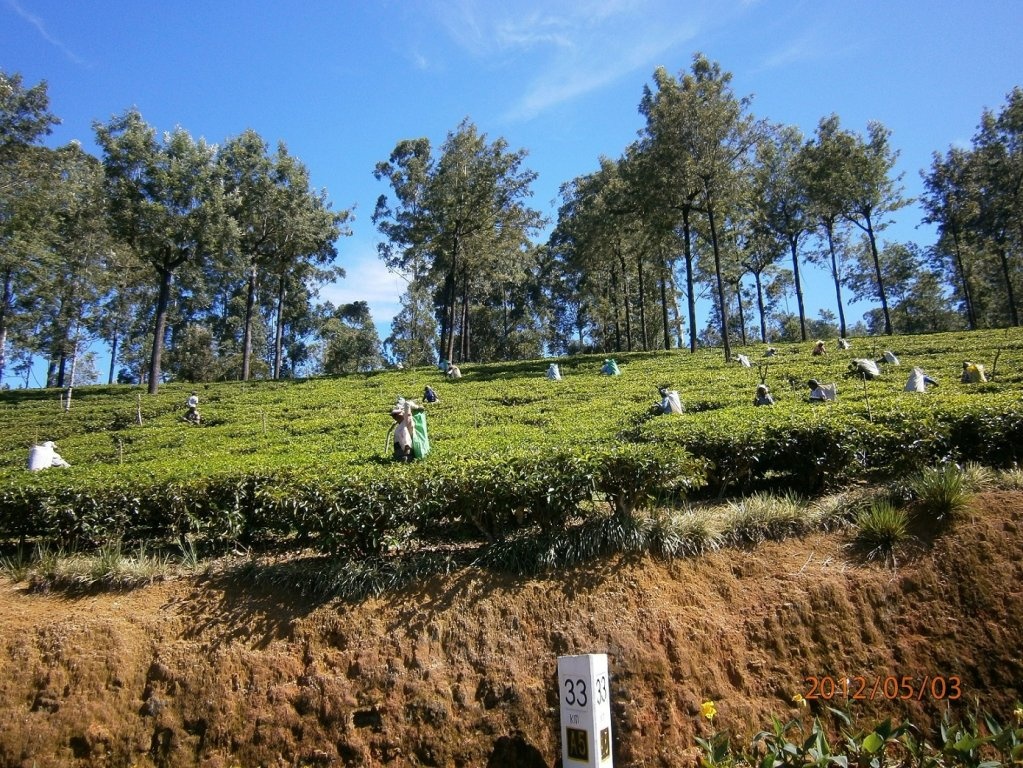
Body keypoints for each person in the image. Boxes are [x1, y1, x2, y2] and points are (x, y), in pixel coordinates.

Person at [390, 397, 424, 462]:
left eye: (396, 415)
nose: (395, 417)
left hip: (404, 452)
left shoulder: (404, 425)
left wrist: (407, 450)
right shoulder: (400, 425)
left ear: (402, 414)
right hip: (399, 450)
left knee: (403, 460)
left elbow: (406, 438)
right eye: (393, 416)